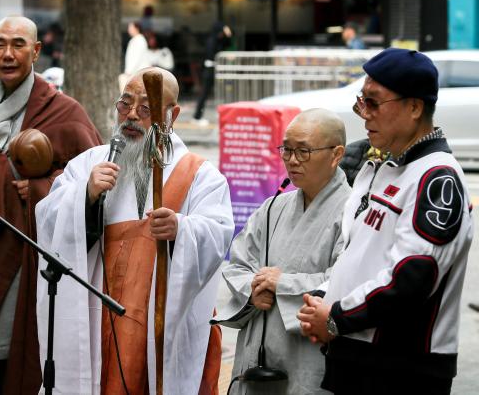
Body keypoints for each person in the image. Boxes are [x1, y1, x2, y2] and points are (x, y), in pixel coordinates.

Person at [35, 67, 235, 394]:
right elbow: (47, 217)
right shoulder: (89, 164)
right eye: (124, 105)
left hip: (159, 319)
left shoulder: (200, 175)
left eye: (145, 109)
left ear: (172, 115)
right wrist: (84, 196)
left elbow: (217, 233)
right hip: (95, 313)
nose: (130, 116)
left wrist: (180, 229)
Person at [0, 16, 102, 395]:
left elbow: (93, 180)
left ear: (36, 51)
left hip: (34, 257)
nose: (8, 54)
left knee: (27, 352)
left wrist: (42, 187)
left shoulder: (65, 112)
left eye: (19, 45)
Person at [297, 48, 474, 395]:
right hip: (355, 354)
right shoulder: (380, 167)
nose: (364, 115)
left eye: (374, 103)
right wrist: (321, 301)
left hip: (401, 368)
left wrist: (335, 316)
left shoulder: (437, 178)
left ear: (414, 107)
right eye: (361, 102)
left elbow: (411, 277)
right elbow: (355, 255)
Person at [216, 109, 351, 394]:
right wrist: (253, 292)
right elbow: (238, 264)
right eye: (286, 149)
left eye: (303, 151)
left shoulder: (354, 211)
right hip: (258, 353)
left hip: (308, 353)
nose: (291, 160)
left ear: (336, 154)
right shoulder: (273, 207)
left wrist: (283, 283)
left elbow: (348, 283)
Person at [193, 21, 232, 126]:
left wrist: (228, 34)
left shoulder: (218, 40)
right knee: (204, 93)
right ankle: (197, 116)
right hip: (209, 70)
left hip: (215, 69)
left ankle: (221, 113)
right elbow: (212, 54)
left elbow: (228, 43)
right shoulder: (211, 40)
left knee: (219, 92)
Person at [119, 21, 151, 92]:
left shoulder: (139, 40)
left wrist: (129, 71)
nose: (128, 30)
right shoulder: (136, 40)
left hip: (138, 72)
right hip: (135, 72)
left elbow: (136, 58)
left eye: (130, 28)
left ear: (136, 29)